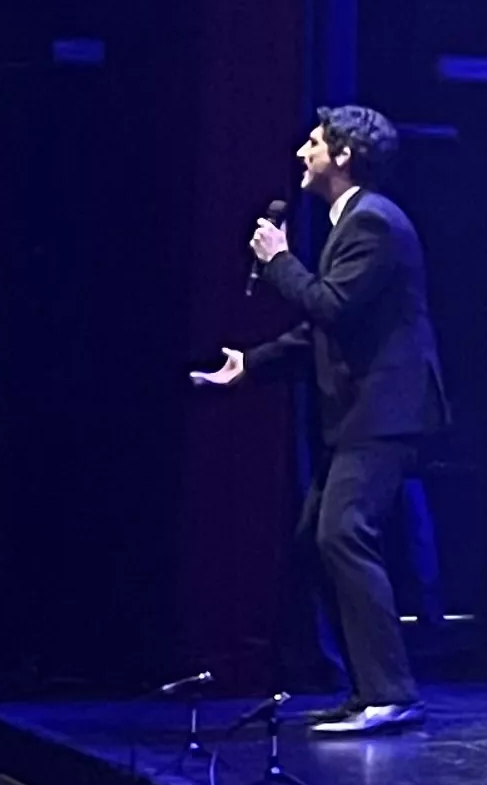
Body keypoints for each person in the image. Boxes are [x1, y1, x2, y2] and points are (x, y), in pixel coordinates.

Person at [192, 106, 450, 736]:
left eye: (314, 142)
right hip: (362, 411)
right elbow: (320, 332)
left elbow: (330, 307)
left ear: (343, 156)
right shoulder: (351, 224)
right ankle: (368, 690)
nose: (302, 150)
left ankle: (392, 691)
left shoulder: (374, 224)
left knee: (344, 533)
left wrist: (279, 260)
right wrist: (249, 365)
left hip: (385, 411)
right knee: (319, 537)